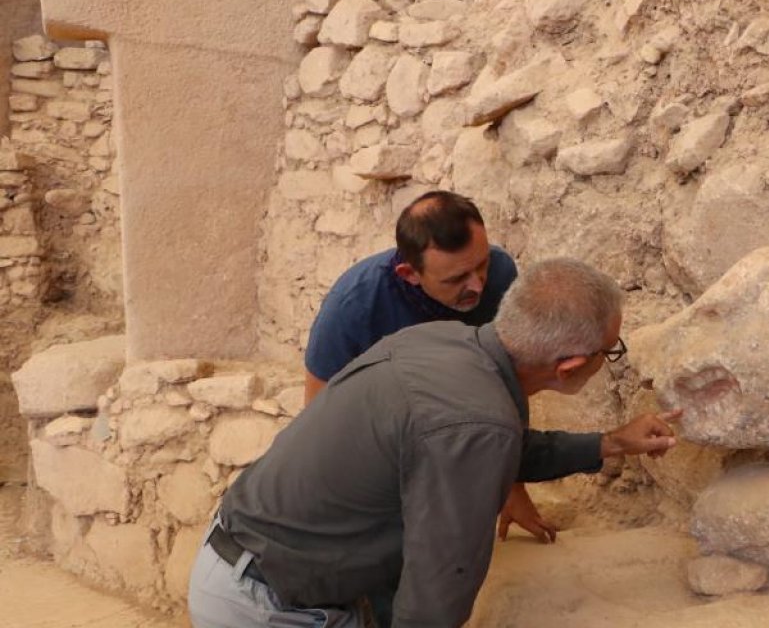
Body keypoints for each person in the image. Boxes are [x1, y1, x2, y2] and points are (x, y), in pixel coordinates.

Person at [188, 258, 680, 628]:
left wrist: (610, 443)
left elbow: (482, 447)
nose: (608, 360)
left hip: (242, 564)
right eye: (609, 351)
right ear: (570, 365)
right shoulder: (475, 422)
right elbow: (438, 590)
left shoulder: (441, 343)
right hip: (267, 607)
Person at [306, 190, 557, 548]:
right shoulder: (354, 305)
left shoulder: (500, 273)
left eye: (481, 265)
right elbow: (318, 417)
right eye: (457, 279)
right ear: (409, 274)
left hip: (452, 417)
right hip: (376, 431)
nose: (477, 285)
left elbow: (506, 385)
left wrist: (512, 488)